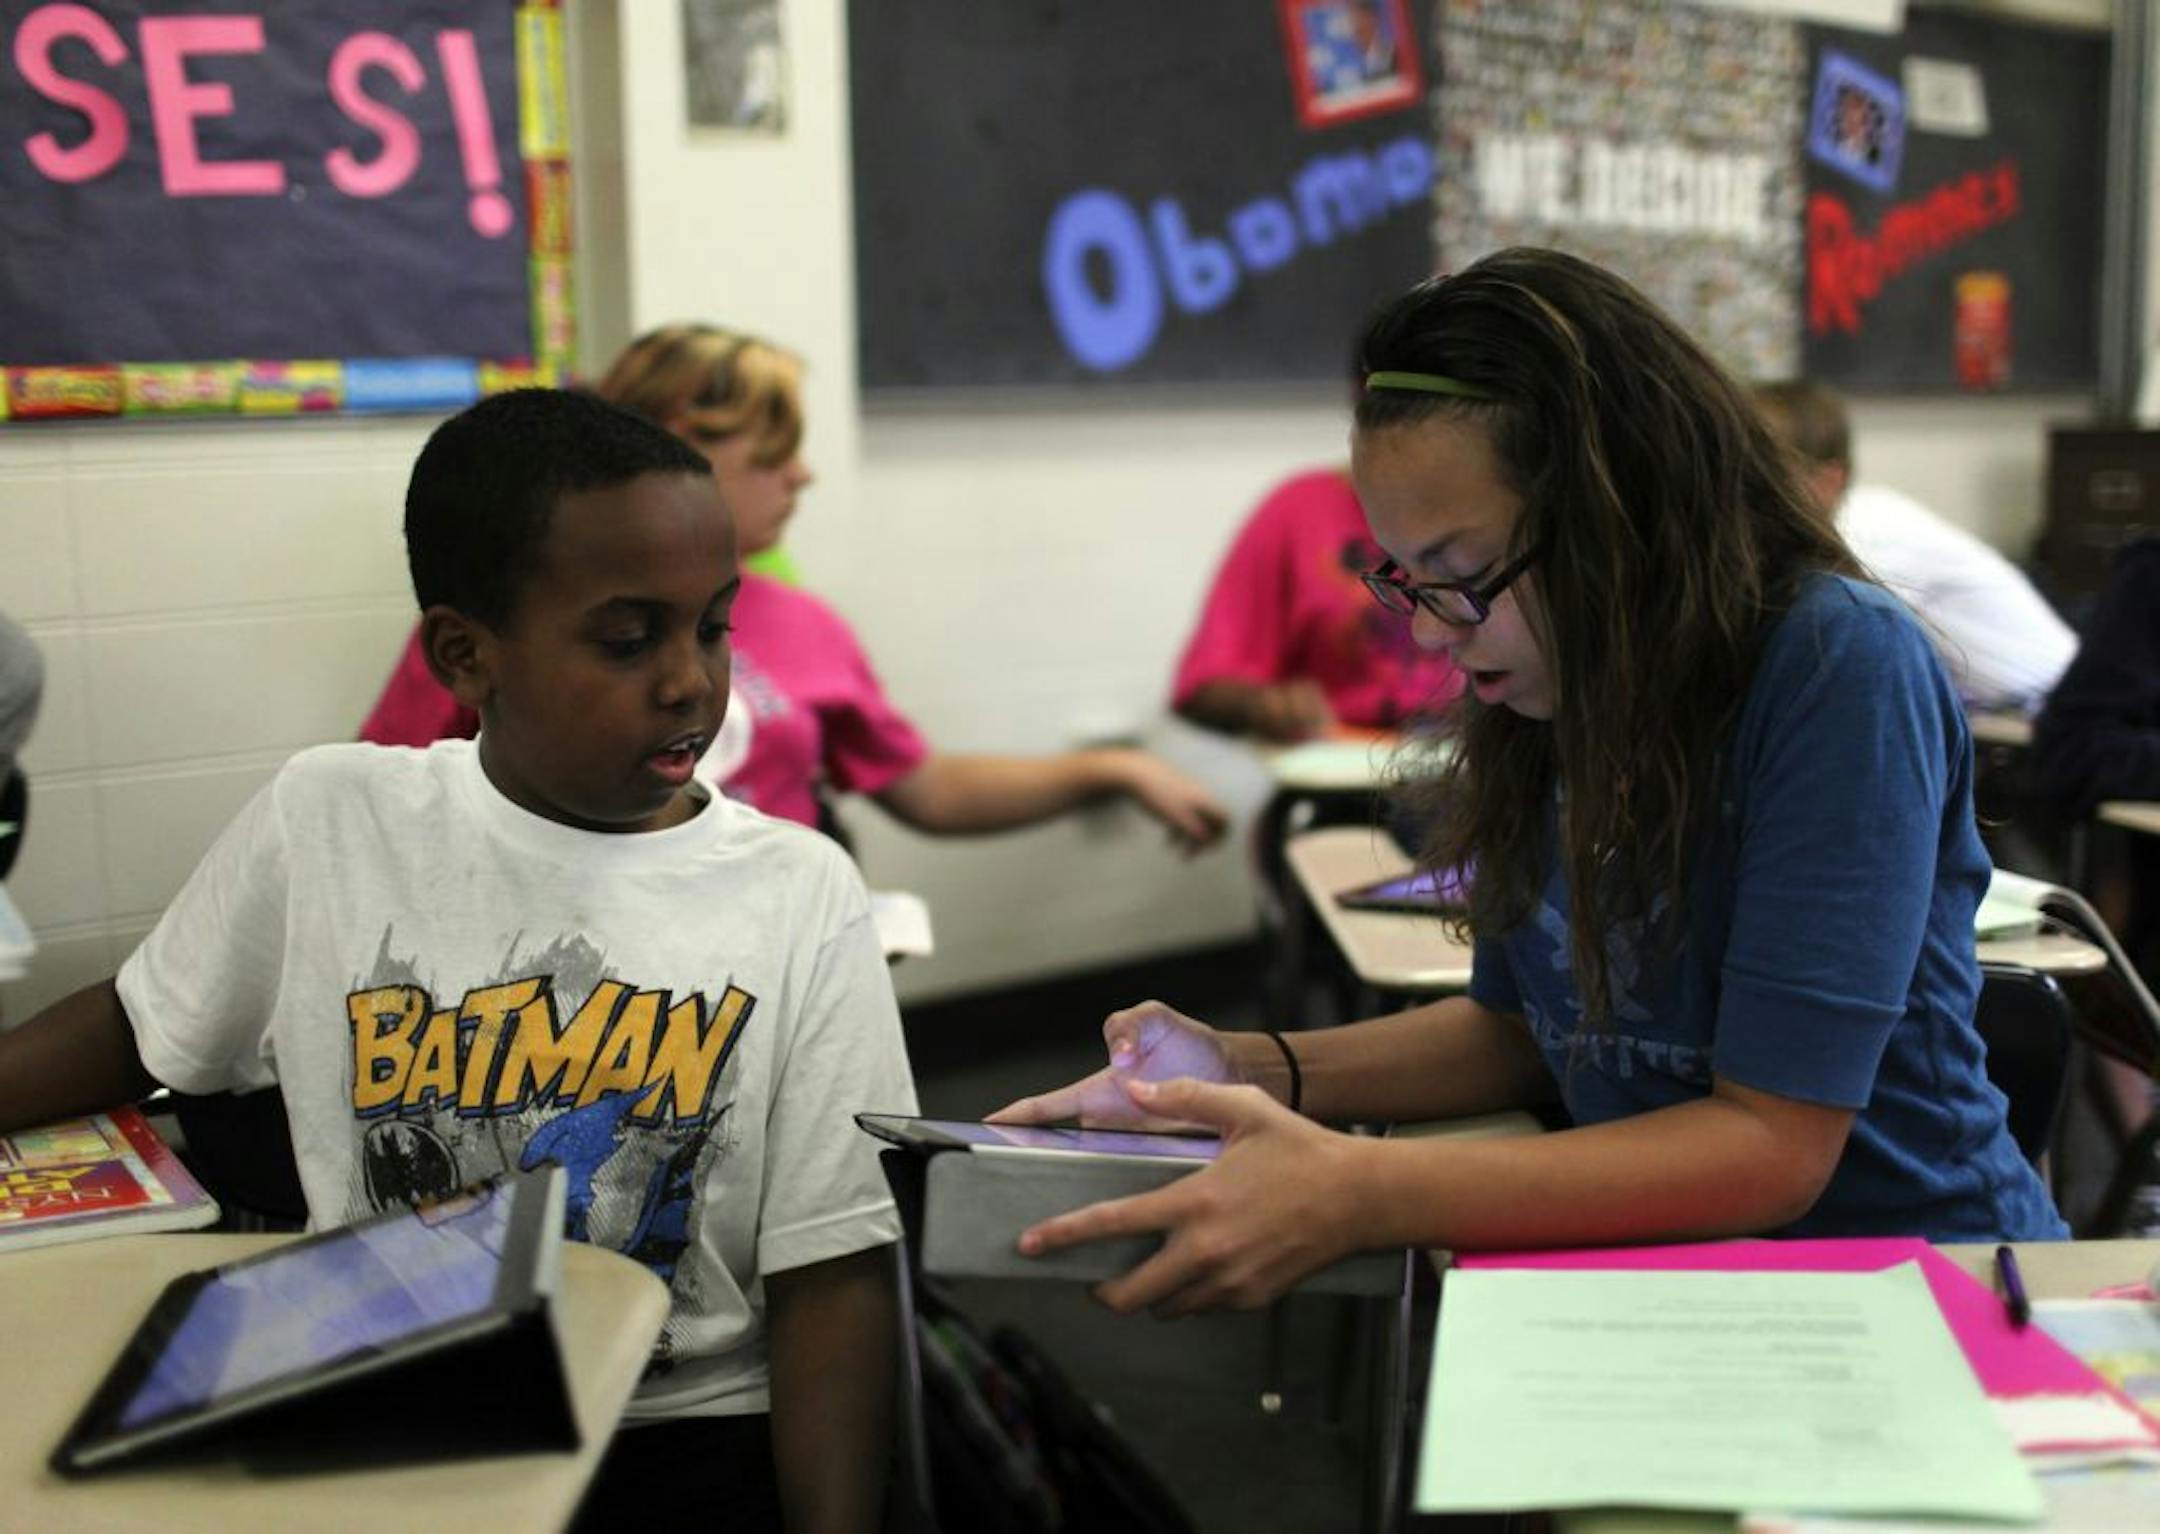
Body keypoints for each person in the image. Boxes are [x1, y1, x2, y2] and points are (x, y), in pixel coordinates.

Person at [991, 250, 2066, 1315]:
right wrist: (1232, 1070)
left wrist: (1361, 1188)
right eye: (1407, 578)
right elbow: (1520, 1033)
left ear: (1618, 515)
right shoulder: (1561, 684)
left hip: (1921, 1287)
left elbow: (1772, 1145)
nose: (1429, 631)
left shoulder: (1836, 664)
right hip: (1687, 1275)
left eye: (1462, 575)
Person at [0, 390, 915, 1532]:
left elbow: (833, 1271)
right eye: (629, 639)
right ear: (465, 654)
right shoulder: (332, 815)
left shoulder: (799, 887)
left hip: (677, 1435)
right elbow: (140, 1028)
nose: (690, 680)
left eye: (714, 626)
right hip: (389, 1405)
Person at [362, 324, 1227, 852]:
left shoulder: (807, 624)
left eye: (713, 630)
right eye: (772, 452)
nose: (803, 474)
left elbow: (925, 789)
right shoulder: (518, 622)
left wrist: (1110, 768)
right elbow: (388, 807)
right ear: (672, 448)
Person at [1752, 378, 2075, 715]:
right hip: (1998, 708)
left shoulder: (1868, 529)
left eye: (1770, 474)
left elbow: (1842, 645)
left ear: (1829, 479)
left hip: (2042, 709)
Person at [1170, 466, 1465, 741]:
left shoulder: (1479, 508)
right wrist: (1267, 705)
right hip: (1339, 749)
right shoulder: (1300, 509)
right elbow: (1204, 682)